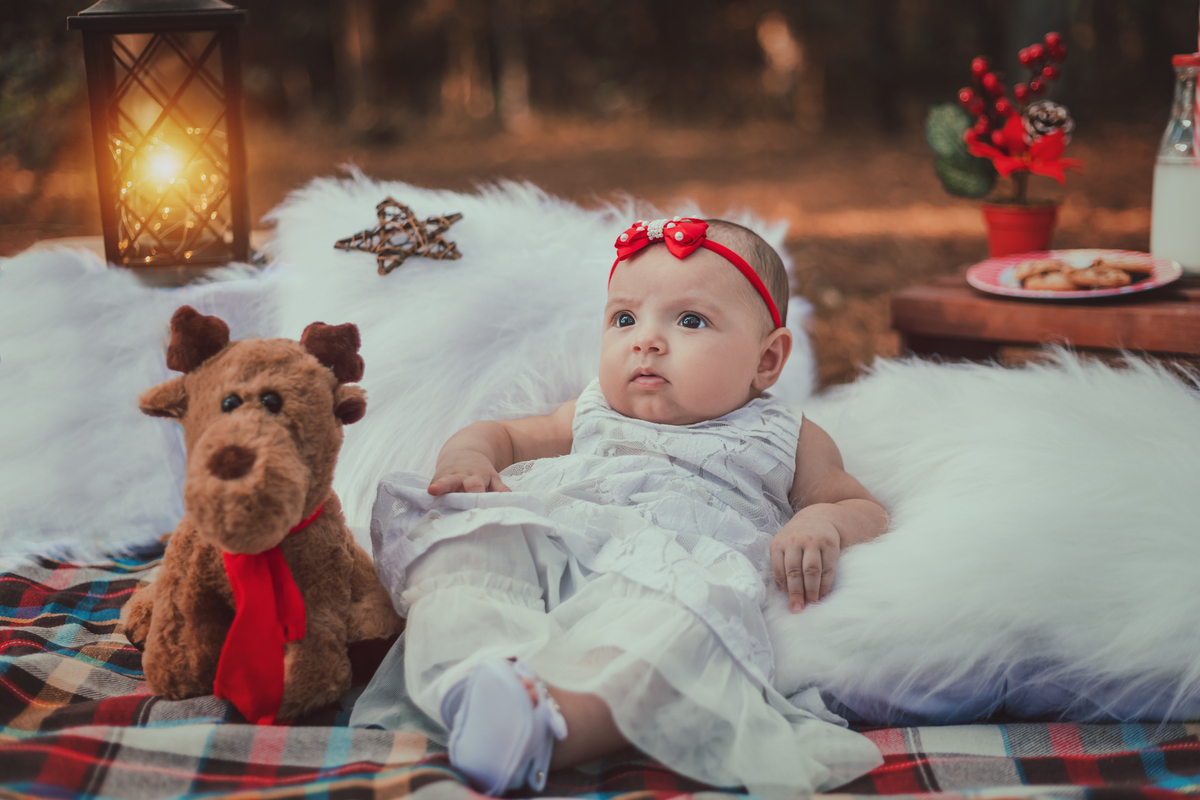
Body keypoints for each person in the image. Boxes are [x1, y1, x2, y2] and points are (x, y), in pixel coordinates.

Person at [365, 216, 889, 796]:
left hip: (673, 575)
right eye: (624, 318)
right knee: (472, 547)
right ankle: (473, 678)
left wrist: (821, 519)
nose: (646, 339)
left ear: (766, 361)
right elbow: (501, 436)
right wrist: (467, 462)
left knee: (679, 634)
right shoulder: (589, 411)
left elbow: (858, 505)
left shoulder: (785, 433)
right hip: (558, 547)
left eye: (690, 320)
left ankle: (546, 728)